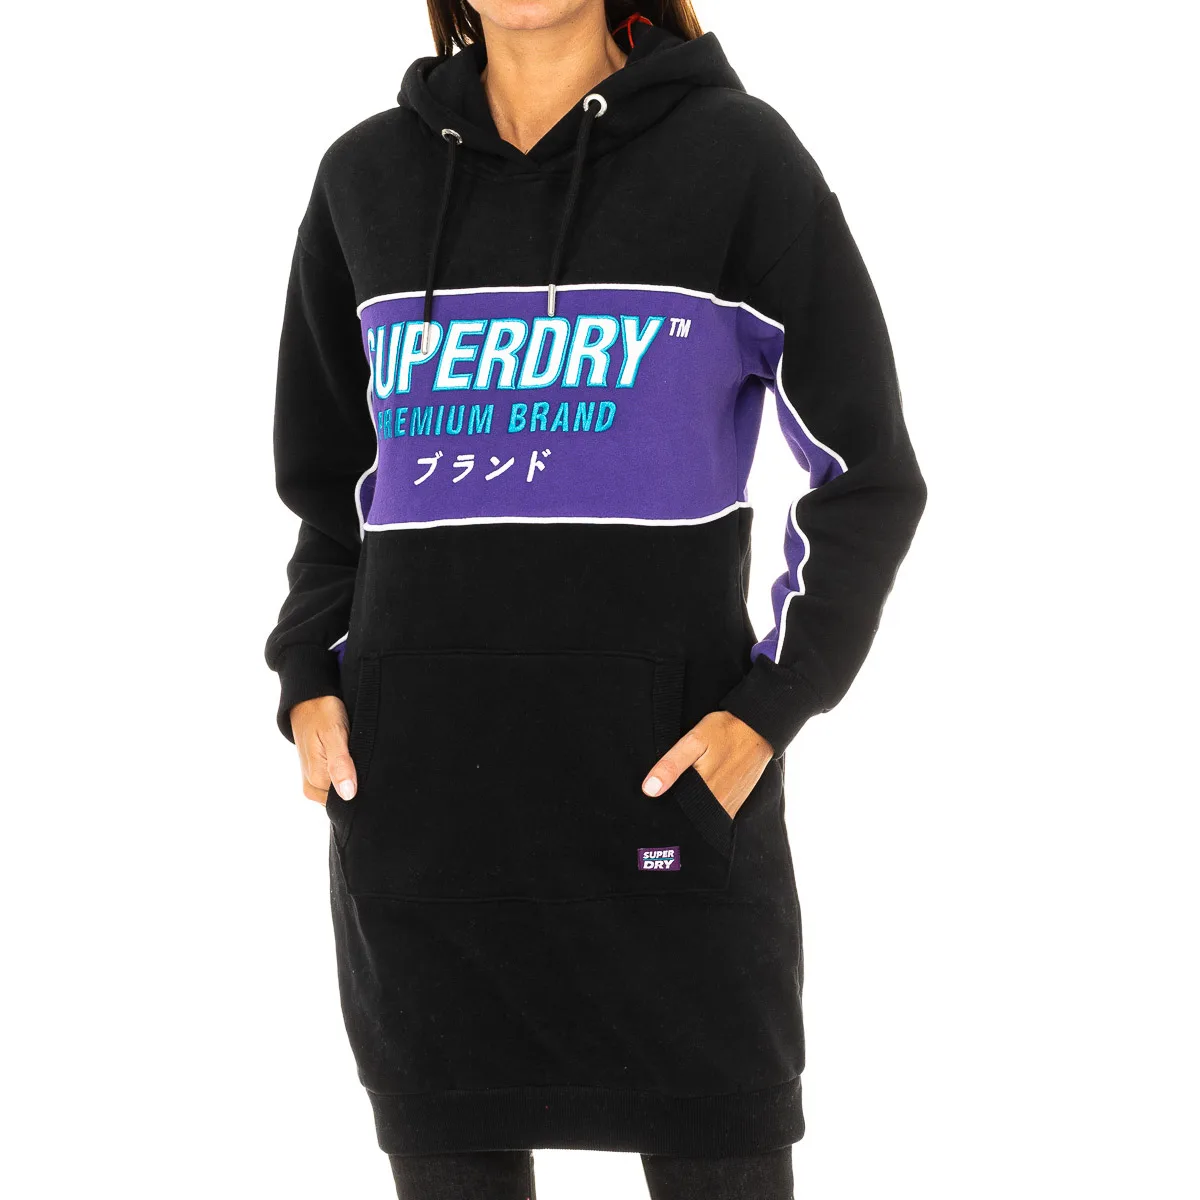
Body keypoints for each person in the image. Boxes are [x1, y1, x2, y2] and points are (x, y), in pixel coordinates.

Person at [264, 1, 927, 1195]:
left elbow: (868, 476)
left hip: (665, 811)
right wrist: (310, 675)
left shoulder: (738, 161)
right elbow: (331, 493)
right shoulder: (366, 178)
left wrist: (769, 708)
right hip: (428, 831)